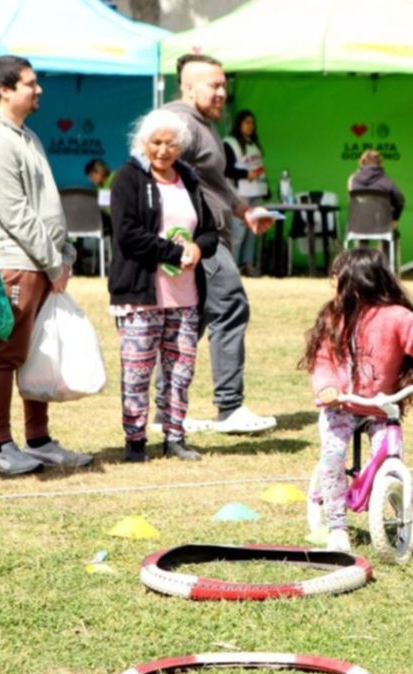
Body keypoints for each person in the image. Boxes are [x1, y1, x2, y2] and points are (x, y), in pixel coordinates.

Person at [0, 55, 95, 475]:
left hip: (41, 262)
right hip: (15, 261)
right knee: (7, 354)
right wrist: (53, 263)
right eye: (30, 83)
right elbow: (14, 212)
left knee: (34, 352)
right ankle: (2, 446)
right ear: (4, 90)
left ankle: (38, 439)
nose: (39, 90)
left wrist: (62, 255)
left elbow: (45, 206)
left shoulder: (26, 135)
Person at [300, 248, 413, 551]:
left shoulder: (395, 317)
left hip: (381, 406)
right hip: (341, 404)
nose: (331, 282)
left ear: (356, 281)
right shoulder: (334, 318)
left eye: (336, 276)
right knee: (333, 454)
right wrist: (327, 388)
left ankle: (404, 518)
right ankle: (337, 526)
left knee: (393, 458)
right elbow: (322, 362)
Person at [163, 53, 276, 434]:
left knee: (190, 321)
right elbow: (153, 173)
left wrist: (244, 210)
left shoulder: (203, 125)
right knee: (229, 305)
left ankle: (165, 412)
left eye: (224, 85)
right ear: (188, 87)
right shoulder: (179, 122)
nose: (222, 93)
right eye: (214, 85)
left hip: (208, 236)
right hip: (200, 239)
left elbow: (215, 183)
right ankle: (229, 407)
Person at [107, 110, 220, 463]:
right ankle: (135, 440)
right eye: (156, 142)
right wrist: (174, 251)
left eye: (171, 144)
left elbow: (210, 230)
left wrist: (198, 248)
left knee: (181, 371)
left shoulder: (189, 179)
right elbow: (127, 234)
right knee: (137, 372)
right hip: (141, 293)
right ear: (143, 143)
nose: (163, 150)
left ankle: (175, 436)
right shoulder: (127, 179)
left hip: (186, 295)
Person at [222, 109, 269, 276]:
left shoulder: (253, 144)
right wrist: (245, 174)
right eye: (247, 122)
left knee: (252, 231)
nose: (251, 126)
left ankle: (247, 264)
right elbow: (226, 169)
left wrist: (267, 189)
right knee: (238, 231)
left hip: (256, 191)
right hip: (239, 193)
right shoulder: (230, 143)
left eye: (252, 123)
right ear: (239, 124)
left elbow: (260, 168)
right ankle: (232, 266)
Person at [347, 149, 405, 221]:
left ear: (362, 162)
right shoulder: (387, 181)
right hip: (382, 224)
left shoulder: (352, 179)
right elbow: (400, 201)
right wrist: (394, 219)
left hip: (357, 225)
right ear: (380, 163)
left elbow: (352, 201)